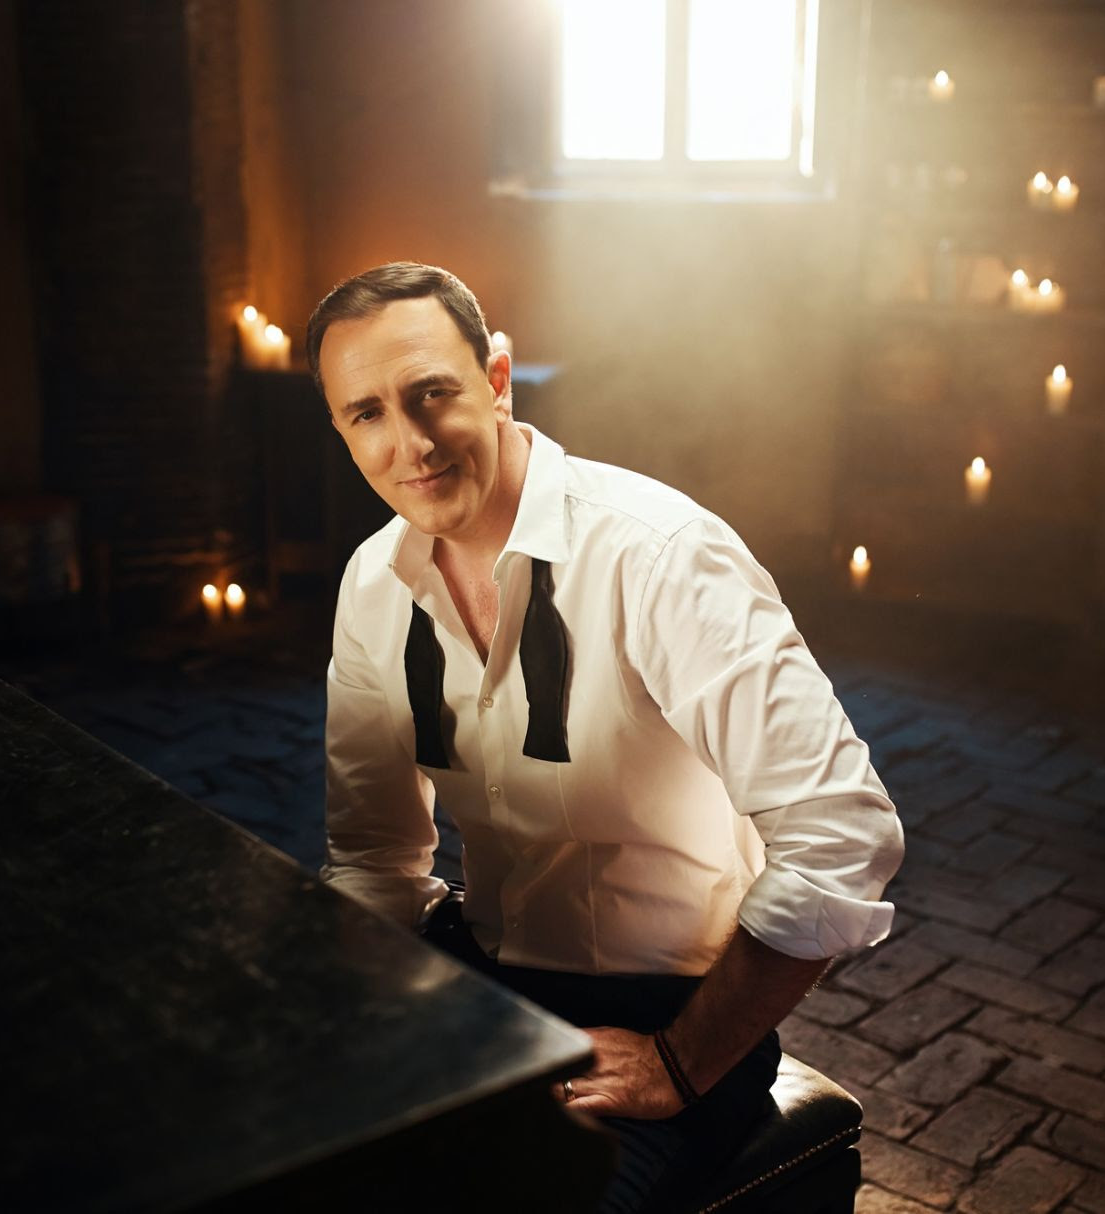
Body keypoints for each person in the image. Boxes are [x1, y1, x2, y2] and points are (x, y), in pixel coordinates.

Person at [306, 262, 903, 1213]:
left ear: (497, 380)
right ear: (341, 431)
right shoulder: (371, 583)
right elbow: (376, 858)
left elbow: (842, 836)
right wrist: (334, 1030)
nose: (410, 443)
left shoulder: (660, 556)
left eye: (433, 394)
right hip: (485, 984)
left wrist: (681, 1058)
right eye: (367, 413)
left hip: (666, 1013)